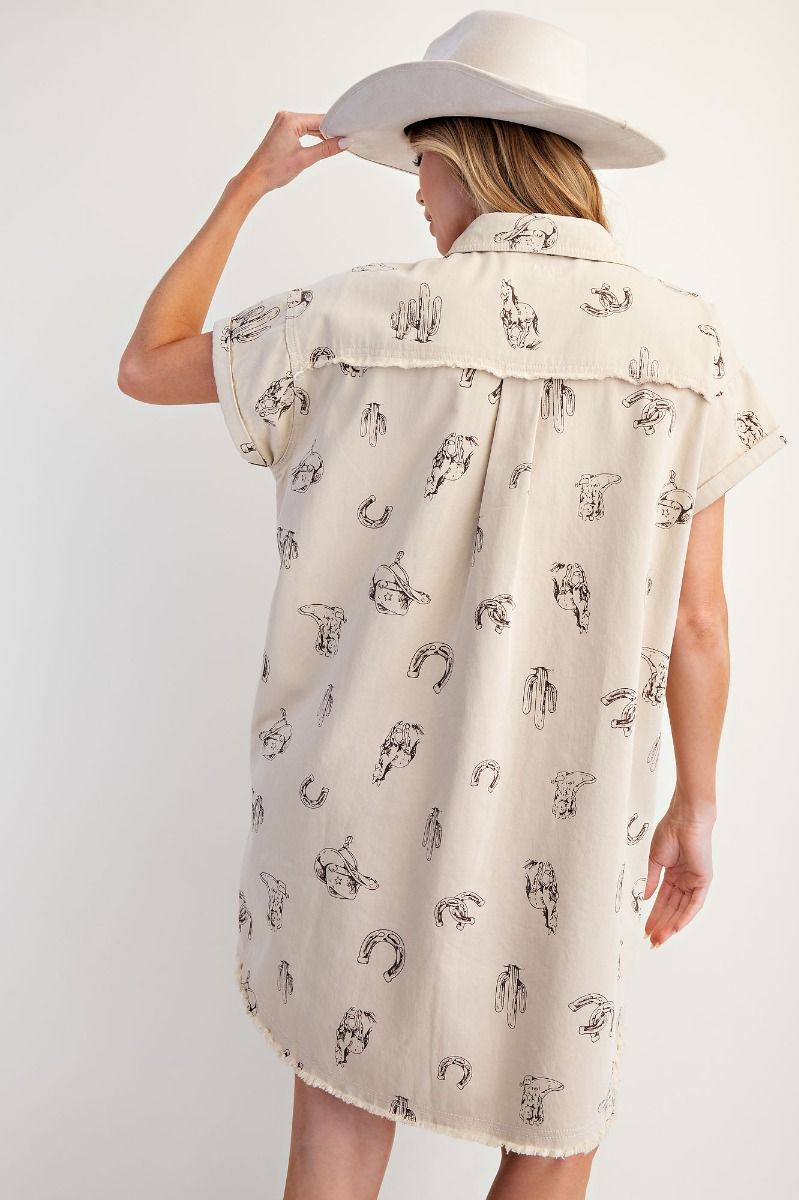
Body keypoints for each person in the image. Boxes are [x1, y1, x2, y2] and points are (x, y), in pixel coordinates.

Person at [117, 12, 789, 1200]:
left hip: (348, 804)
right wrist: (695, 806)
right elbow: (697, 623)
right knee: (554, 1126)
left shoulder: (353, 316)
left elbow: (148, 360)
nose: (416, 195)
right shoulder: (686, 342)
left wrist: (246, 188)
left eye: (419, 161)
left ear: (464, 153)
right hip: (571, 815)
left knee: (338, 1122)